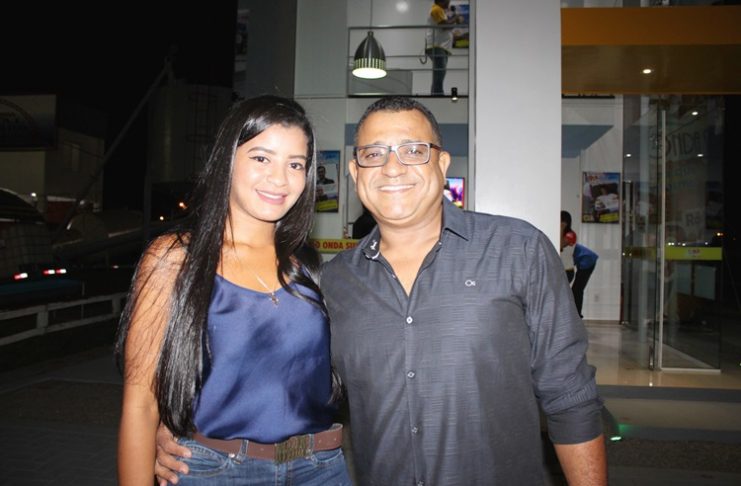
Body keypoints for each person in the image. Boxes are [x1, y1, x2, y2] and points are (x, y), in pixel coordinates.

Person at [155, 96, 607, 485]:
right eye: (374, 154)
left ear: (442, 164)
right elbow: (282, 374)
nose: (393, 167)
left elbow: (571, 397)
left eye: (413, 150)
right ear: (355, 172)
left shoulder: (518, 249)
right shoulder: (332, 283)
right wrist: (182, 426)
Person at [116, 95, 350, 485]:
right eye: (261, 158)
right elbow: (140, 404)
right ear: (228, 159)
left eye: (295, 164)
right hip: (216, 471)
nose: (280, 179)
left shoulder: (307, 267)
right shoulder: (176, 259)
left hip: (320, 468)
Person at [561, 210, 599, 318]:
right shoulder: (562, 234)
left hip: (588, 261)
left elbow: (561, 247)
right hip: (579, 262)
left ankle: (577, 316)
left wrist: (561, 228)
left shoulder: (570, 235)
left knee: (577, 290)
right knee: (574, 291)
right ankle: (574, 316)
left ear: (565, 222)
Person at [425, 0, 463, 96]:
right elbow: (444, 26)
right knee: (440, 72)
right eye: (448, 1)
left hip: (441, 47)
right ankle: (438, 95)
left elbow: (447, 28)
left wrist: (455, 21)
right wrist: (455, 17)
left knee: (440, 72)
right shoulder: (436, 9)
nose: (449, 4)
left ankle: (436, 94)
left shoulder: (440, 11)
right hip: (437, 46)